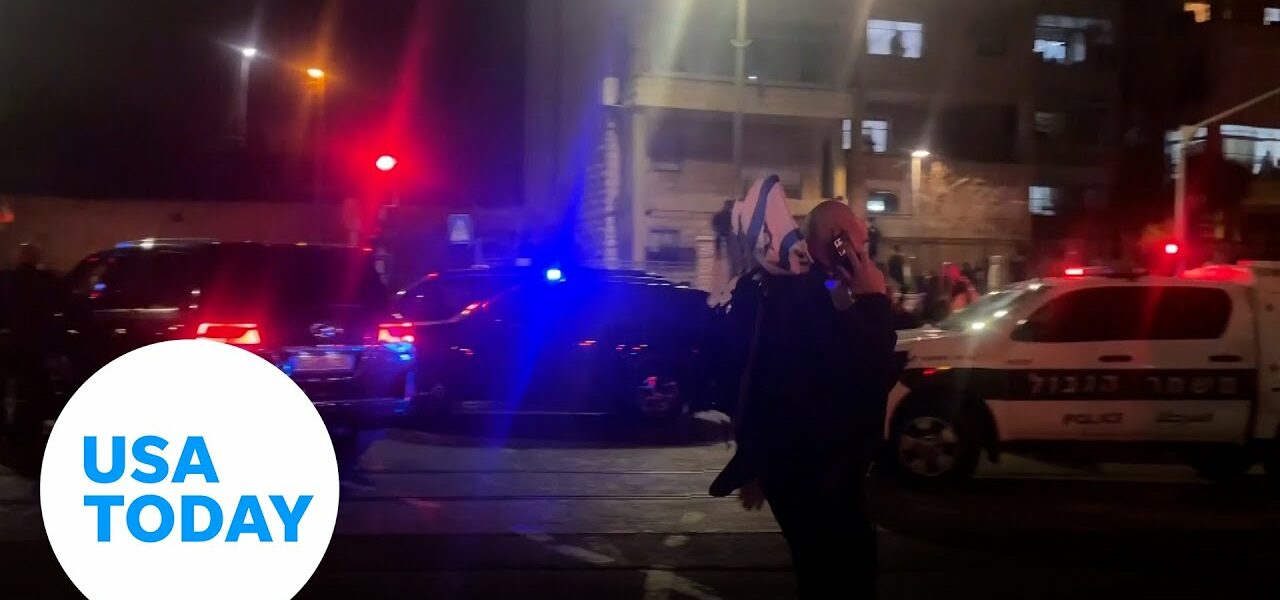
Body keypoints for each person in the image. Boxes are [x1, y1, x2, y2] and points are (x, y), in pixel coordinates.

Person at [711, 177, 899, 599]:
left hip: (799, 471)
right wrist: (874, 301)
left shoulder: (804, 289)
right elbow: (865, 374)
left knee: (818, 576)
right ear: (837, 240)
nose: (864, 252)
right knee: (843, 579)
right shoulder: (807, 297)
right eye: (860, 243)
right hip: (820, 476)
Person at [0, 244, 61, 466]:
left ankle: (12, 430)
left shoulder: (7, 280)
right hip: (35, 344)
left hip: (10, 341)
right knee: (34, 387)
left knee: (8, 385)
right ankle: (29, 427)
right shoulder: (46, 281)